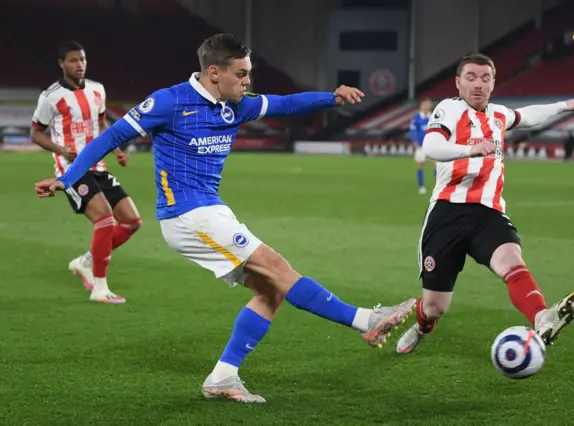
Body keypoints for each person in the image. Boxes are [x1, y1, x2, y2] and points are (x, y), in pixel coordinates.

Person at [34, 33, 416, 403]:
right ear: (214, 72)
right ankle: (366, 320)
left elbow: (285, 103)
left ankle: (222, 377)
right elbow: (108, 138)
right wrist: (67, 178)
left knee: (271, 291)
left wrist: (331, 98)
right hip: (187, 214)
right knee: (277, 266)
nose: (248, 81)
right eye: (241, 73)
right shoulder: (169, 102)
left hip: (211, 210)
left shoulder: (238, 104)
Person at [395, 53, 574, 356]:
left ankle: (541, 316)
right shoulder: (449, 109)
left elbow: (527, 115)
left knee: (512, 260)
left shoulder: (498, 114)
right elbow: (430, 146)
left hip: (489, 212)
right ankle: (421, 325)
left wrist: (564, 106)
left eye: (485, 78)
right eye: (471, 77)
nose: (478, 84)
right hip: (448, 212)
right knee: (435, 307)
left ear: (493, 83)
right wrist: (469, 149)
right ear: (458, 83)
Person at [31, 41, 141, 304]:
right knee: (104, 219)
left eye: (82, 59)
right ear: (61, 64)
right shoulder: (51, 96)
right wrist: (59, 148)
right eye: (73, 60)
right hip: (71, 169)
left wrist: (116, 152)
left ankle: (86, 261)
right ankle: (100, 289)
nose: (79, 65)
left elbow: (101, 125)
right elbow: (35, 133)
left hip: (98, 165)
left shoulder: (97, 90)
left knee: (131, 222)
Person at [409, 98, 436, 194]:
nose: (426, 107)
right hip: (420, 146)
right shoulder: (416, 117)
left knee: (436, 165)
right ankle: (421, 186)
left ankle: (438, 186)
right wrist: (415, 142)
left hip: (432, 146)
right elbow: (412, 131)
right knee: (421, 165)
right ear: (421, 106)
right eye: (425, 105)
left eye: (428, 105)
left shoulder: (433, 117)